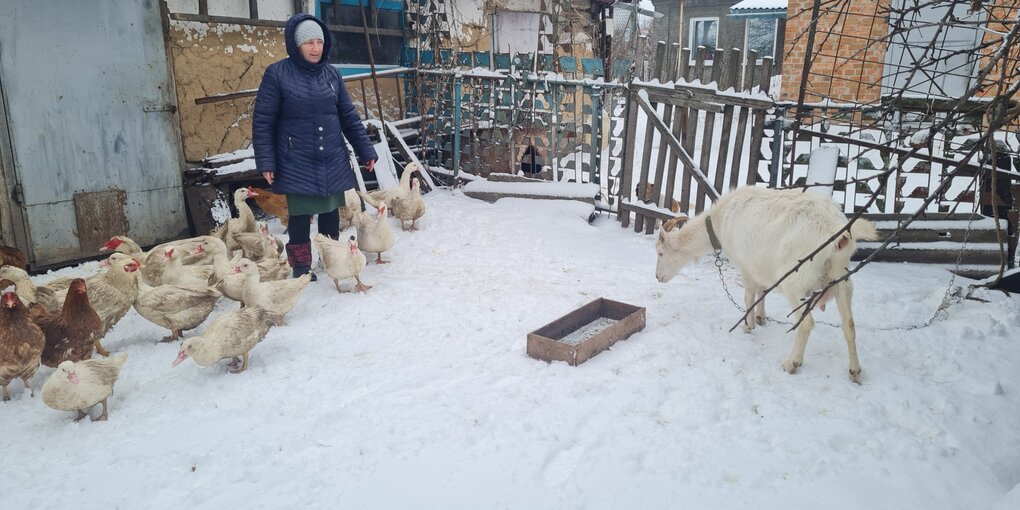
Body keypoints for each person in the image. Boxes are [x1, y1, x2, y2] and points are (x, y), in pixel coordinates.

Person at [252, 13, 378, 280]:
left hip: (330, 156)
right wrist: (267, 161)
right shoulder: (277, 74)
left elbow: (348, 116)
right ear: (296, 45)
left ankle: (331, 257)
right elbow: (263, 121)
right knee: (299, 214)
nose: (315, 48)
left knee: (330, 210)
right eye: (308, 42)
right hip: (296, 158)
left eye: (319, 42)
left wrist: (366, 150)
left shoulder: (331, 74)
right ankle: (301, 266)